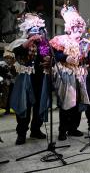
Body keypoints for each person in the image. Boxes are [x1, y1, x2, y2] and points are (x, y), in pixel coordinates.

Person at [49, 0, 90, 141]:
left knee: (78, 102)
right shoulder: (62, 39)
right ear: (70, 27)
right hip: (66, 73)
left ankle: (73, 128)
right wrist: (66, 58)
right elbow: (54, 52)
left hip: (80, 73)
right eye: (76, 27)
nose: (79, 30)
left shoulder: (85, 43)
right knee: (67, 102)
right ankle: (62, 130)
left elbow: (89, 57)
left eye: (80, 27)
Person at [7, 13, 50, 145]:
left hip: (40, 78)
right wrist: (30, 41)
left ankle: (36, 129)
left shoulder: (42, 44)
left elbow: (45, 57)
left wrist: (47, 61)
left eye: (38, 29)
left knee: (38, 106)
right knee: (24, 106)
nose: (37, 32)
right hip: (25, 79)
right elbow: (17, 52)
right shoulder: (22, 43)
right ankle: (21, 133)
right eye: (33, 29)